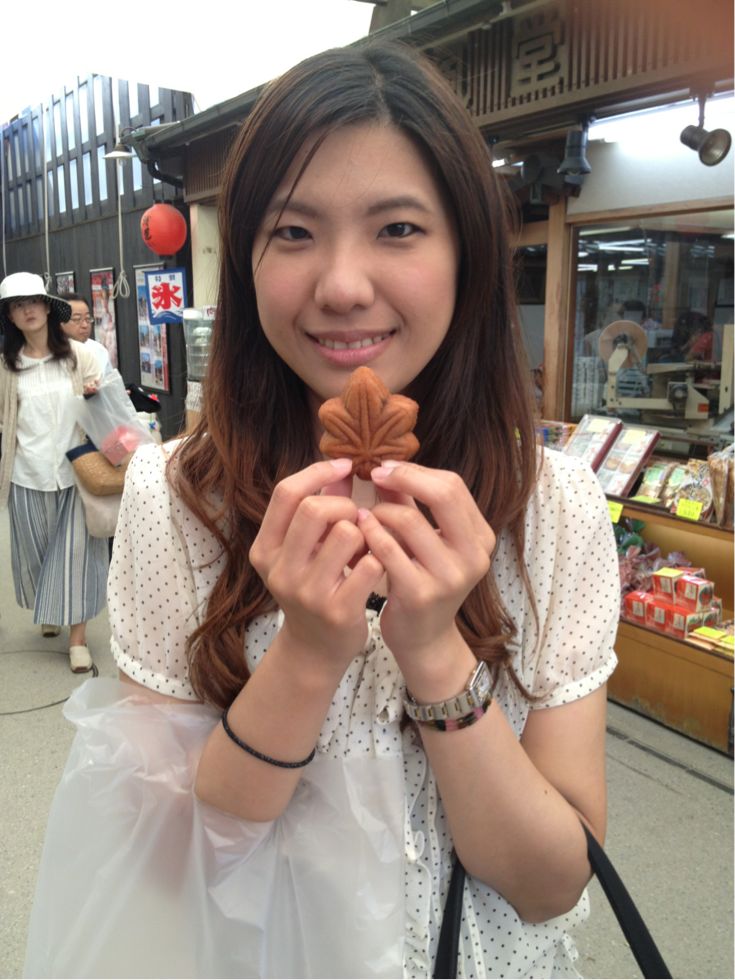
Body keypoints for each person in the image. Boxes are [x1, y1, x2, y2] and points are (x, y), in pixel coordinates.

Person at [24, 42, 619, 978]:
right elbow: (172, 861)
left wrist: (435, 653)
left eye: (398, 228)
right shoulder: (177, 499)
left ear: (465, 254)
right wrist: (304, 654)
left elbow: (550, 886)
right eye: (294, 232)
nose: (342, 286)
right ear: (247, 260)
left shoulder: (555, 511)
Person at [0, 273, 108, 673]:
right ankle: (49, 607)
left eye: (33, 301)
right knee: (36, 554)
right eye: (17, 305)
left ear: (47, 307)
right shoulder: (6, 366)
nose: (27, 310)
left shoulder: (80, 357)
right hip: (26, 474)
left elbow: (106, 405)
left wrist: (97, 395)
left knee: (77, 555)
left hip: (77, 472)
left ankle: (77, 641)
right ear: (11, 317)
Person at [59, 292, 112, 375]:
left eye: (87, 319)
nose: (85, 325)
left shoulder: (99, 351)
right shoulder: (49, 354)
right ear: (59, 322)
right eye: (77, 319)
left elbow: (110, 381)